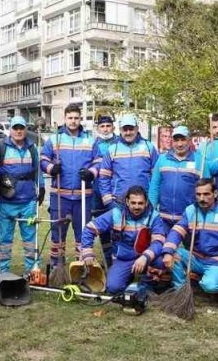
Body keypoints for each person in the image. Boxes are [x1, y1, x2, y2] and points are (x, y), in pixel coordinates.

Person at [80, 185, 170, 315]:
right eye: (133, 203)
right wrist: (87, 252)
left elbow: (159, 242)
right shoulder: (116, 213)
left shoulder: (154, 216)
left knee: (162, 264)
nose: (137, 206)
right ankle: (130, 283)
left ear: (146, 203)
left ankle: (147, 285)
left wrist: (145, 257)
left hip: (148, 257)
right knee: (113, 288)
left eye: (140, 203)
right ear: (127, 201)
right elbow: (89, 229)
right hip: (124, 258)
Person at [40, 103, 95, 275]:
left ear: (80, 119)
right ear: (64, 119)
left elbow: (99, 162)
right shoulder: (55, 139)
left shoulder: (90, 139)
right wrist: (51, 168)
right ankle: (58, 268)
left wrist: (91, 173)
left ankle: (82, 268)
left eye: (76, 118)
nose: (73, 121)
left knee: (83, 234)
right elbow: (43, 159)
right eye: (70, 118)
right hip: (60, 196)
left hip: (83, 196)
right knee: (57, 233)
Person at [0, 116, 43, 274]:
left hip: (28, 202)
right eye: (15, 128)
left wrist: (41, 187)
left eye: (21, 128)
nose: (18, 131)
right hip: (6, 201)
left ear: (25, 130)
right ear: (10, 130)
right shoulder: (0, 147)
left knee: (30, 240)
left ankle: (32, 271)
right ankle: (3, 272)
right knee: (4, 241)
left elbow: (37, 170)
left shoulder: (32, 148)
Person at [97, 114, 158, 210]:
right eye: (125, 129)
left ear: (137, 128)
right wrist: (108, 201)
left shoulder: (149, 147)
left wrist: (152, 201)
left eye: (131, 129)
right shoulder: (113, 148)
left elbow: (157, 177)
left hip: (143, 203)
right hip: (118, 202)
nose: (128, 132)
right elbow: (104, 177)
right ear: (120, 130)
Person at [148, 125, 202, 230]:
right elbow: (154, 186)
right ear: (172, 141)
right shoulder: (162, 159)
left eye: (183, 139)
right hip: (164, 219)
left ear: (189, 140)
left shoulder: (199, 161)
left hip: (189, 219)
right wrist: (151, 211)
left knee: (189, 247)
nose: (180, 144)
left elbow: (206, 190)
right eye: (176, 140)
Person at [85, 113, 118, 265]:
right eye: (102, 126)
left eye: (108, 126)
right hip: (97, 193)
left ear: (113, 126)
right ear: (98, 128)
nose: (105, 129)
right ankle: (108, 261)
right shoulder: (93, 145)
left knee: (117, 226)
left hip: (115, 192)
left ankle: (120, 260)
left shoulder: (119, 143)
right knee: (102, 227)